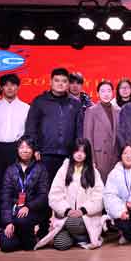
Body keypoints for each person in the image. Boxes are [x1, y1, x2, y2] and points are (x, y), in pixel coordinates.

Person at [25, 68, 83, 235]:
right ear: (51, 82)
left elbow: (79, 130)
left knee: (66, 192)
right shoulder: (39, 102)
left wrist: (77, 151)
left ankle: (64, 229)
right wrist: (35, 148)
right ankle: (43, 228)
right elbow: (31, 127)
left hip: (68, 155)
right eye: (57, 80)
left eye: (64, 81)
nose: (60, 84)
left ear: (68, 84)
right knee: (44, 192)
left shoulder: (75, 104)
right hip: (44, 154)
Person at [35, 138, 104, 251]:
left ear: (87, 154)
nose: (79, 154)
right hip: (66, 216)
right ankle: (80, 238)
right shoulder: (63, 170)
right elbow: (54, 196)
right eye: (77, 151)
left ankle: (85, 235)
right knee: (60, 243)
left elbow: (99, 197)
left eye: (83, 151)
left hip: (86, 217)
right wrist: (67, 210)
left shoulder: (93, 172)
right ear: (72, 152)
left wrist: (83, 210)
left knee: (73, 223)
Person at [0, 73, 30, 236]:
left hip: (17, 148)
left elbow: (27, 133)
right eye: (6, 85)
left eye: (13, 84)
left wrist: (26, 154)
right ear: (2, 87)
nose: (10, 88)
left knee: (18, 186)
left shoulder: (26, 108)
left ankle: (16, 221)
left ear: (18, 87)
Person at [0, 136, 49, 252]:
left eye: (28, 147)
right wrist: (8, 222)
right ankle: (24, 236)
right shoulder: (10, 170)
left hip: (34, 210)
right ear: (17, 150)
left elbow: (43, 195)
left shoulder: (41, 169)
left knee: (23, 224)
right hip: (15, 210)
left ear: (33, 150)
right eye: (21, 147)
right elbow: (5, 197)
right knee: (6, 246)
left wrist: (28, 206)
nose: (25, 150)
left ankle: (30, 239)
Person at [83, 80, 119, 183]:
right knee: (99, 185)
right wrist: (91, 159)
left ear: (113, 93)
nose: (106, 94)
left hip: (114, 156)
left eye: (109, 91)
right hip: (98, 156)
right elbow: (87, 137)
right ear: (98, 93)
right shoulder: (91, 111)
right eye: (103, 91)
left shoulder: (118, 111)